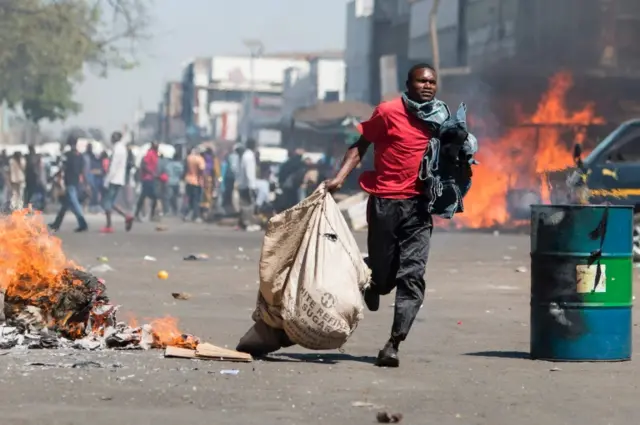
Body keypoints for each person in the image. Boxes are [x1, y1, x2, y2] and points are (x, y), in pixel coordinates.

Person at [324, 63, 446, 368]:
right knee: (385, 274)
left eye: (432, 82)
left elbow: (453, 155)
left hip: (419, 207)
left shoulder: (440, 118)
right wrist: (338, 178)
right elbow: (360, 145)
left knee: (413, 276)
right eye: (422, 81)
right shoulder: (387, 112)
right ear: (409, 84)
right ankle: (373, 281)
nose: (428, 86)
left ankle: (393, 343)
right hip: (384, 204)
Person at [49, 136, 89, 232]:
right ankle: (56, 223)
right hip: (76, 182)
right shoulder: (80, 156)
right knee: (65, 205)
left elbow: (63, 167)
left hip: (69, 182)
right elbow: (83, 171)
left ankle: (83, 223)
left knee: (74, 204)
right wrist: (86, 182)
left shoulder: (68, 155)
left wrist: (54, 176)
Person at [101, 131, 134, 233]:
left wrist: (107, 180)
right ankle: (126, 216)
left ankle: (109, 225)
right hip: (119, 179)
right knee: (111, 202)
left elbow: (113, 166)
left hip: (114, 179)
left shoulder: (117, 149)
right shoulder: (123, 148)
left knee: (106, 202)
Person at [134, 142, 160, 221]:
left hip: (150, 179)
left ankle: (139, 214)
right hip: (147, 179)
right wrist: (152, 172)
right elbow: (144, 165)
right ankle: (147, 215)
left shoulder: (155, 154)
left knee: (146, 197)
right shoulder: (150, 153)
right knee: (149, 197)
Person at [237, 139, 259, 231]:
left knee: (245, 204)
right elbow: (249, 172)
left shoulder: (245, 155)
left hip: (244, 184)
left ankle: (244, 223)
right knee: (248, 206)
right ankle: (248, 224)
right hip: (247, 185)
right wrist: (252, 186)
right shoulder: (249, 156)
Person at [182, 147, 205, 222]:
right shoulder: (200, 159)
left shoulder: (188, 158)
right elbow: (201, 170)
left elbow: (185, 168)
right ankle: (196, 216)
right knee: (196, 200)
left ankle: (186, 215)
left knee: (189, 199)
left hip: (188, 180)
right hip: (196, 181)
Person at [164, 151, 184, 216]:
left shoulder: (169, 164)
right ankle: (175, 210)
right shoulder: (180, 165)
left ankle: (168, 210)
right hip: (176, 182)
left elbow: (166, 171)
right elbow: (181, 173)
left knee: (169, 197)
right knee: (175, 197)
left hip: (169, 182)